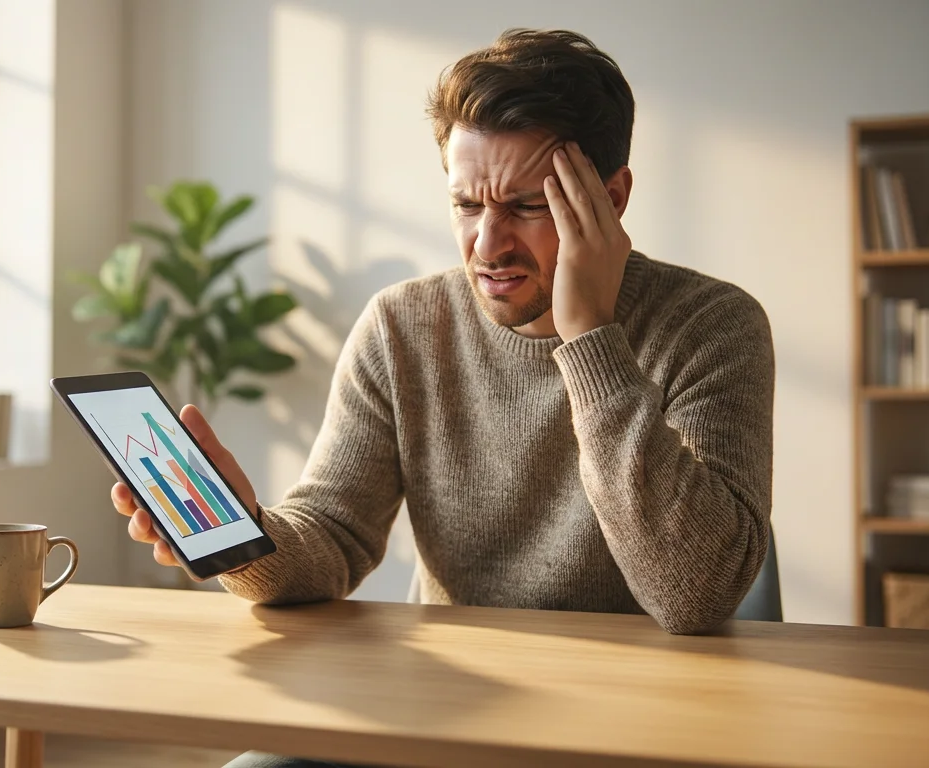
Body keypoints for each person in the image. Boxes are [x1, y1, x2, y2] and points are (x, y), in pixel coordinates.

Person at [111, 28, 774, 768]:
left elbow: (697, 593)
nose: (487, 245)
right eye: (466, 205)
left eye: (525, 206)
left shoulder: (714, 325)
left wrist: (587, 336)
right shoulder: (403, 327)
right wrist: (248, 536)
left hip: (638, 730)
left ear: (611, 198)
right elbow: (333, 533)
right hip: (448, 717)